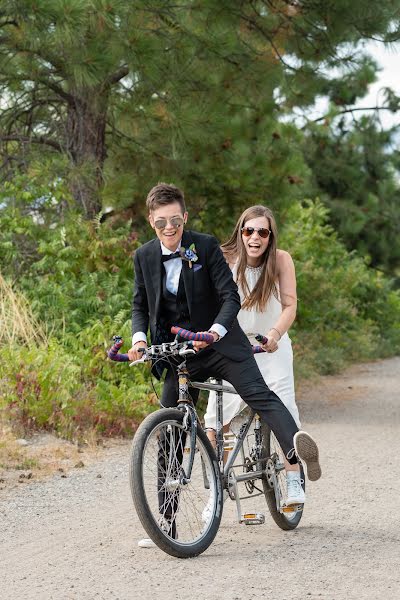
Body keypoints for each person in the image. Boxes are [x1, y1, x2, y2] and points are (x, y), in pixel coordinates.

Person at [128, 183, 321, 548]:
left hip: (221, 344)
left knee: (260, 395)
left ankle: (295, 458)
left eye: (174, 220)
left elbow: (230, 295)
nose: (168, 228)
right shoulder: (143, 256)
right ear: (151, 222)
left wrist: (216, 331)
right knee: (169, 429)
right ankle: (165, 526)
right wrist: (140, 339)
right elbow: (140, 305)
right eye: (160, 222)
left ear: (184, 217)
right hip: (180, 350)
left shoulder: (204, 246)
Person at [203, 204, 304, 506]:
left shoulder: (281, 260)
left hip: (270, 343)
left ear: (270, 236)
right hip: (234, 345)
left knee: (283, 407)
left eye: (262, 231)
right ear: (240, 232)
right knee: (214, 418)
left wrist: (274, 335)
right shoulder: (226, 258)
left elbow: (289, 306)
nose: (255, 237)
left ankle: (294, 476)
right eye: (249, 230)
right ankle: (215, 488)